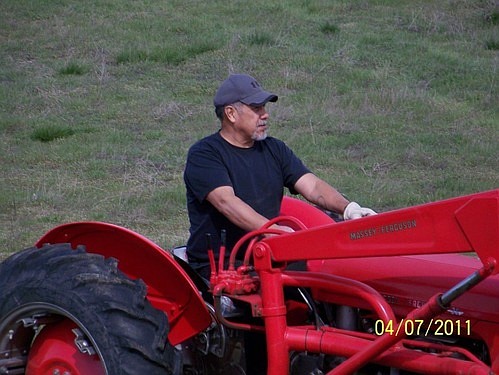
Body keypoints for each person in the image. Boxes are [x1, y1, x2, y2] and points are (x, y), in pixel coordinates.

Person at [184, 73, 376, 279]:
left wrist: (348, 209)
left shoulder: (275, 149)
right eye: (256, 108)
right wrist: (274, 231)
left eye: (264, 108)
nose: (265, 114)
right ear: (231, 113)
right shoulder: (205, 154)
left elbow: (312, 186)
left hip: (270, 254)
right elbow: (227, 202)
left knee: (331, 282)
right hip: (222, 266)